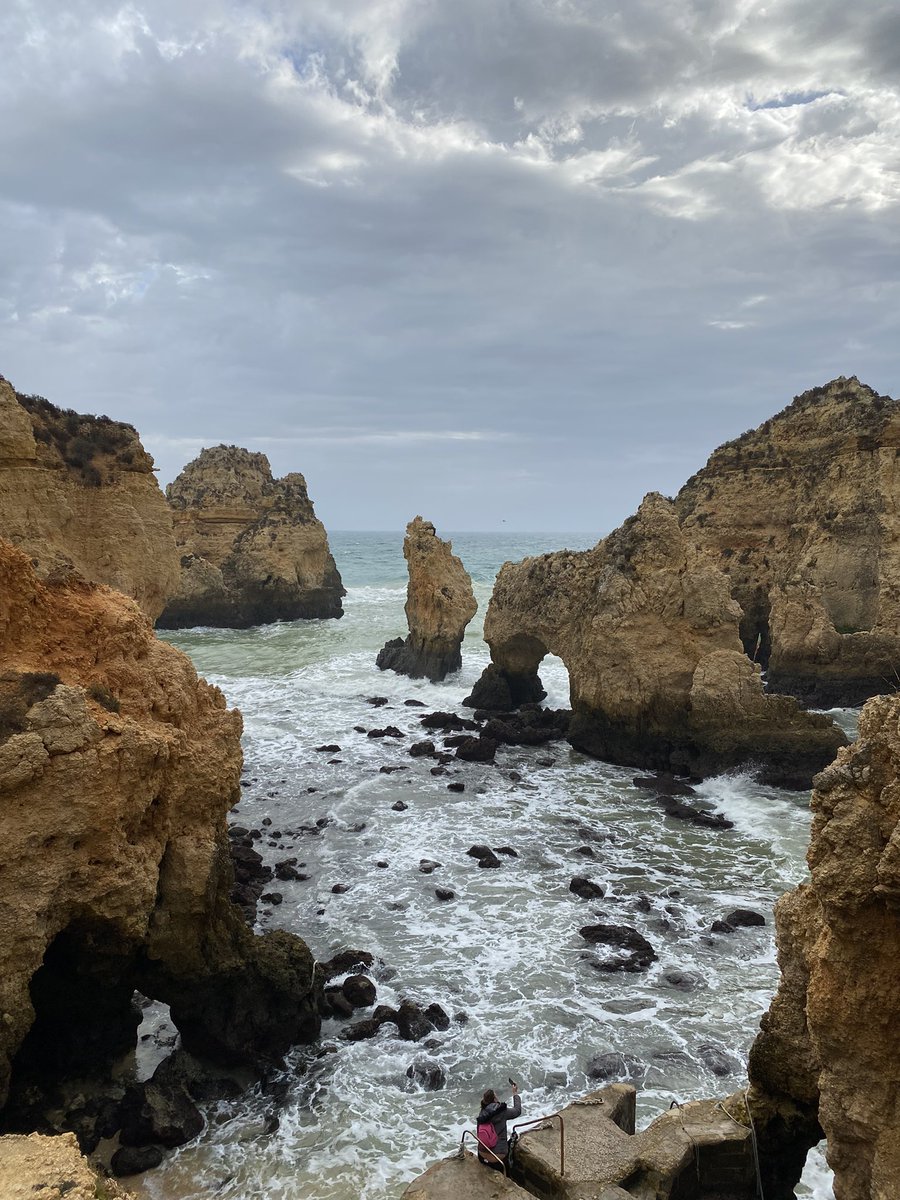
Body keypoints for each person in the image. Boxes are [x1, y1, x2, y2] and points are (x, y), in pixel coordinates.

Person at [476, 1081, 521, 1169]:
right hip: (497, 1157)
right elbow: (517, 1111)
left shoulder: (482, 1113)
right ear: (495, 1099)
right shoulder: (502, 1111)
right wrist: (515, 1093)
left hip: (481, 1154)